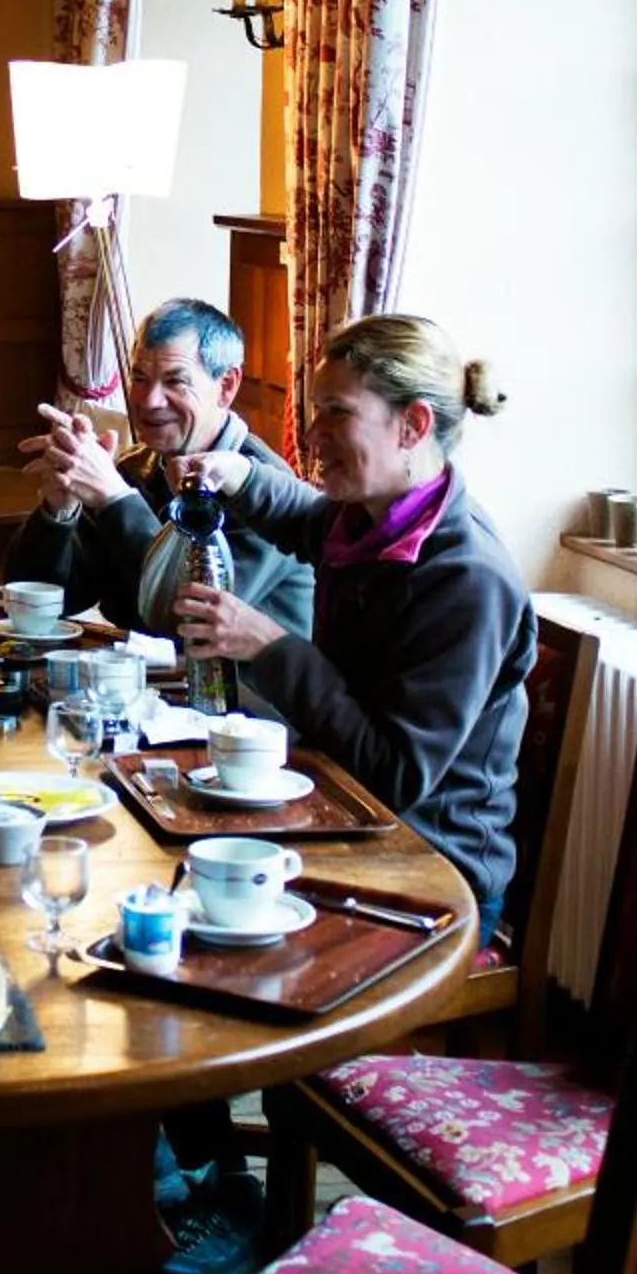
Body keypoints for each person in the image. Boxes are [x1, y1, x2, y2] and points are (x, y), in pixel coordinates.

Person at [173, 313, 534, 934]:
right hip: (346, 815)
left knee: (201, 904)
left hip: (428, 869)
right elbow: (308, 519)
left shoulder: (467, 580)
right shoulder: (374, 518)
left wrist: (271, 647)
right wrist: (240, 477)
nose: (312, 435)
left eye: (336, 413)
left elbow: (395, 775)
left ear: (413, 424)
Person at [3, 297, 313, 638]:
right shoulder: (135, 468)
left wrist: (115, 499)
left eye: (174, 381)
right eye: (139, 378)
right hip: (140, 681)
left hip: (239, 688)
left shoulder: (261, 491)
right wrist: (58, 512)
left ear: (226, 386)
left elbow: (192, 618)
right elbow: (55, 600)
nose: (149, 401)